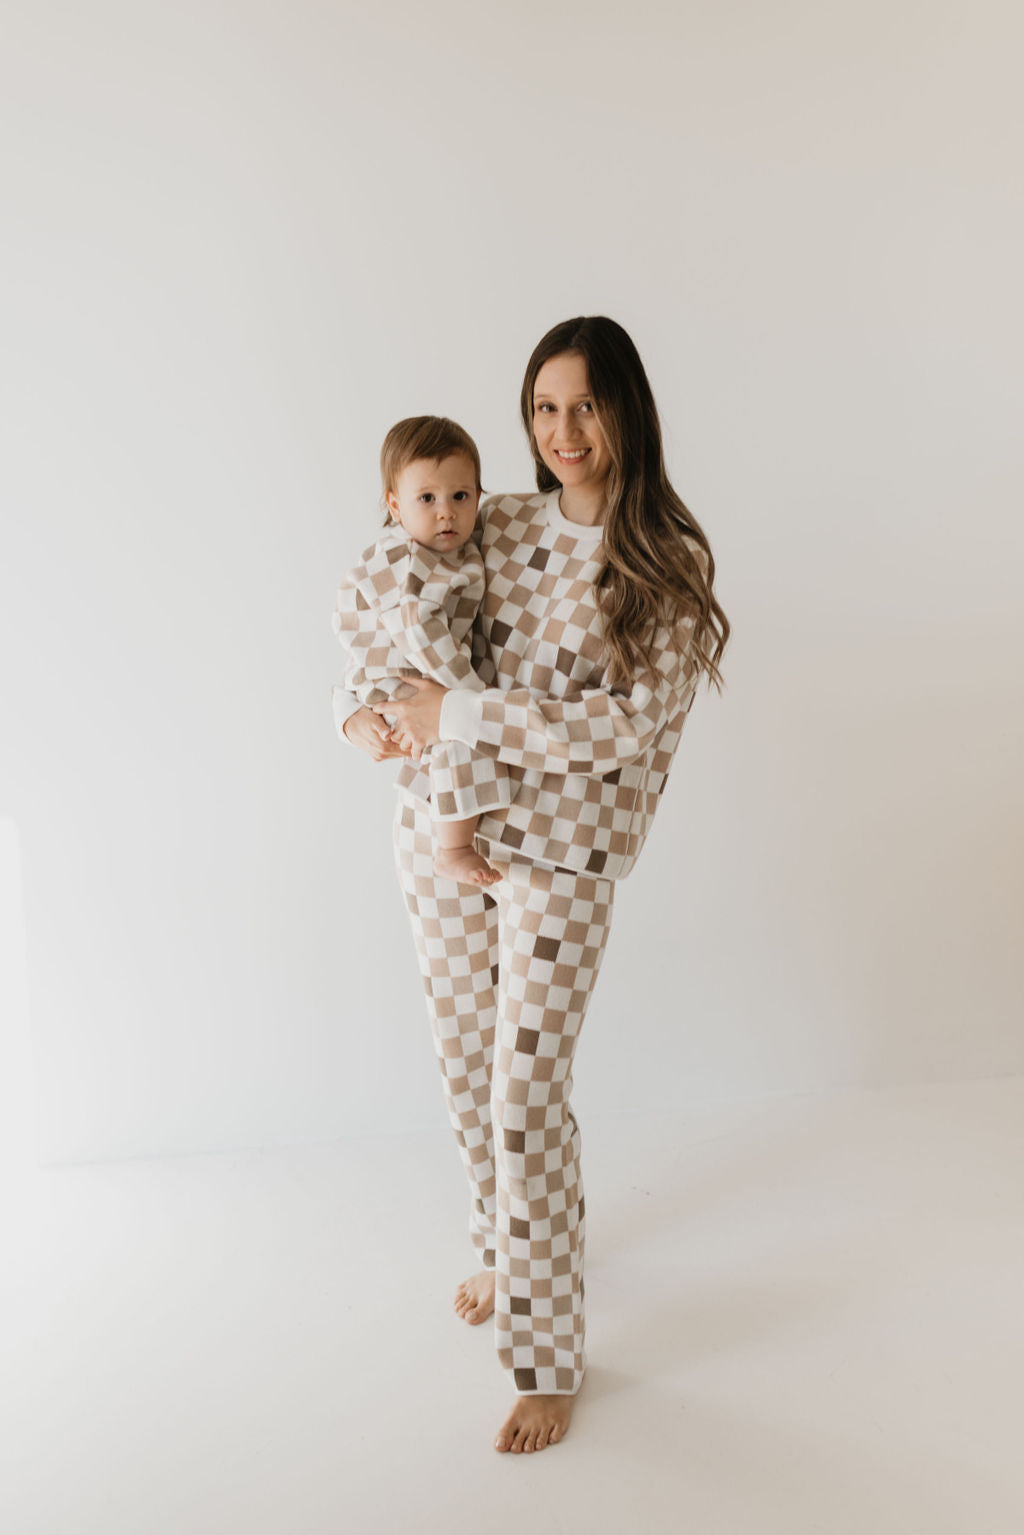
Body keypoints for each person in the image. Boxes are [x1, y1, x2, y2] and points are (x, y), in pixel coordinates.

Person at [334, 316, 730, 1455]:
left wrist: (457, 712)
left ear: (627, 413)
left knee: (523, 1095)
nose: (563, 431)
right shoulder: (491, 521)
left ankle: (549, 1354)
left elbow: (619, 728)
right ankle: (507, 1246)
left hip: (563, 854)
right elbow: (382, 609)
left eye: (586, 406)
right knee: (466, 1070)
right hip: (437, 825)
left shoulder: (664, 560)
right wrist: (351, 710)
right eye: (545, 407)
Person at [331, 415, 510, 886]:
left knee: (457, 731)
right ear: (395, 504)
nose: (446, 512)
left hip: (405, 673)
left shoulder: (453, 552)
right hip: (398, 675)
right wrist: (468, 695)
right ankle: (453, 848)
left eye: (460, 496)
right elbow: (418, 630)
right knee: (459, 737)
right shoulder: (406, 557)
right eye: (427, 499)